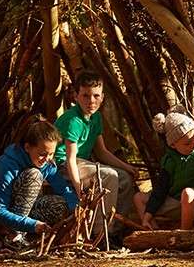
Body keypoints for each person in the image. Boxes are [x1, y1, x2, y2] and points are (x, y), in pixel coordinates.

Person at [53, 70, 138, 242]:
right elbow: (69, 159)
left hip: (82, 163)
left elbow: (102, 152)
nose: (91, 101)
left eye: (96, 96)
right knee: (109, 176)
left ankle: (116, 229)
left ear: (102, 97)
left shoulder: (96, 117)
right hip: (62, 165)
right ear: (76, 96)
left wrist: (128, 168)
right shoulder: (73, 120)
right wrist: (78, 190)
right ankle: (101, 233)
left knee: (125, 178)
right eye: (85, 96)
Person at [0, 120, 79, 249]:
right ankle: (13, 236)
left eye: (51, 154)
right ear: (27, 147)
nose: (47, 159)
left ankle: (17, 233)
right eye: (42, 154)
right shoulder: (8, 164)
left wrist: (76, 208)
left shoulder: (47, 163)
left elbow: (63, 189)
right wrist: (32, 225)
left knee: (59, 205)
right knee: (34, 175)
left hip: (16, 210)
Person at [133, 111, 194, 231]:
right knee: (138, 198)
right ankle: (154, 232)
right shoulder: (170, 161)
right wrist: (147, 217)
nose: (193, 145)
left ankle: (183, 234)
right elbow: (160, 191)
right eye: (187, 143)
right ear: (173, 145)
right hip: (179, 203)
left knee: (187, 193)